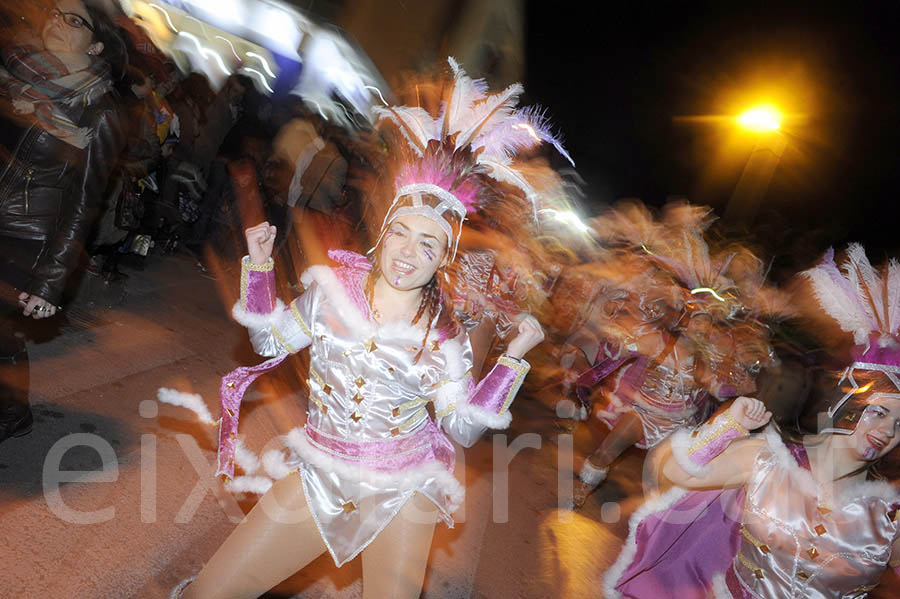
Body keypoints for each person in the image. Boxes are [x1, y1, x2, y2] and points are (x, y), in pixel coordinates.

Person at [166, 58, 571, 599]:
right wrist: (259, 267)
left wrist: (512, 359)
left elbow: (460, 430)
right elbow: (267, 341)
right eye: (400, 233)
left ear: (442, 258)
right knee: (208, 594)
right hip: (318, 472)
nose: (408, 253)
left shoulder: (443, 336)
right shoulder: (331, 293)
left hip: (403, 489)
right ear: (382, 234)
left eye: (427, 244)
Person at [604, 244, 900, 599]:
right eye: (880, 412)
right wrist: (727, 425)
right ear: (848, 404)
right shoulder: (767, 459)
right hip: (682, 407)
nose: (887, 432)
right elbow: (674, 474)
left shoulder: (890, 514)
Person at [0, 0, 126, 443]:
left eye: (75, 21)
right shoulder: (15, 74)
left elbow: (84, 204)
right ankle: (13, 409)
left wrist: (51, 282)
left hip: (23, 240)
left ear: (95, 46)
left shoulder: (98, 111)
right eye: (56, 12)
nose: (57, 21)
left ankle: (12, 412)